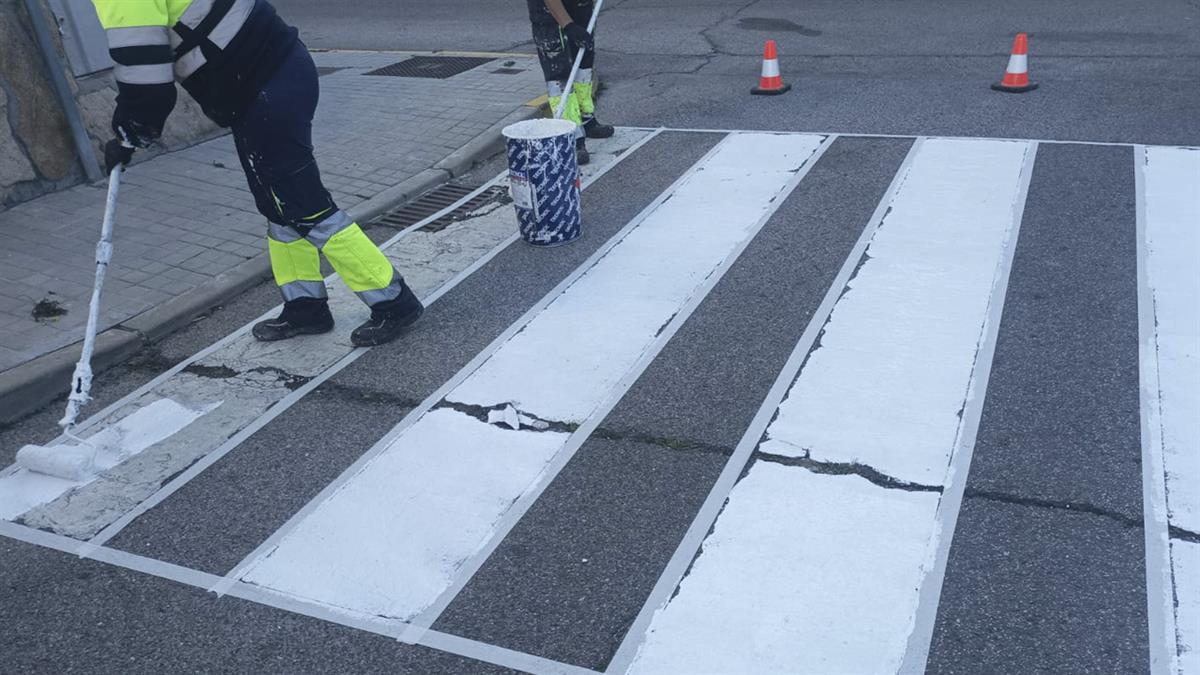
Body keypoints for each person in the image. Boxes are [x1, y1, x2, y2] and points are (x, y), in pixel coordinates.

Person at [90, 0, 423, 346]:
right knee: (277, 204)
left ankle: (394, 301)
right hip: (276, 74)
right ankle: (305, 306)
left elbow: (147, 87)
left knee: (304, 205)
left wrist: (127, 136)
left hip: (264, 87)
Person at [526, 0, 615, 165]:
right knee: (559, 74)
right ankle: (571, 134)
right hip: (549, 12)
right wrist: (568, 25)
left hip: (579, 6)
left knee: (584, 65)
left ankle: (586, 119)